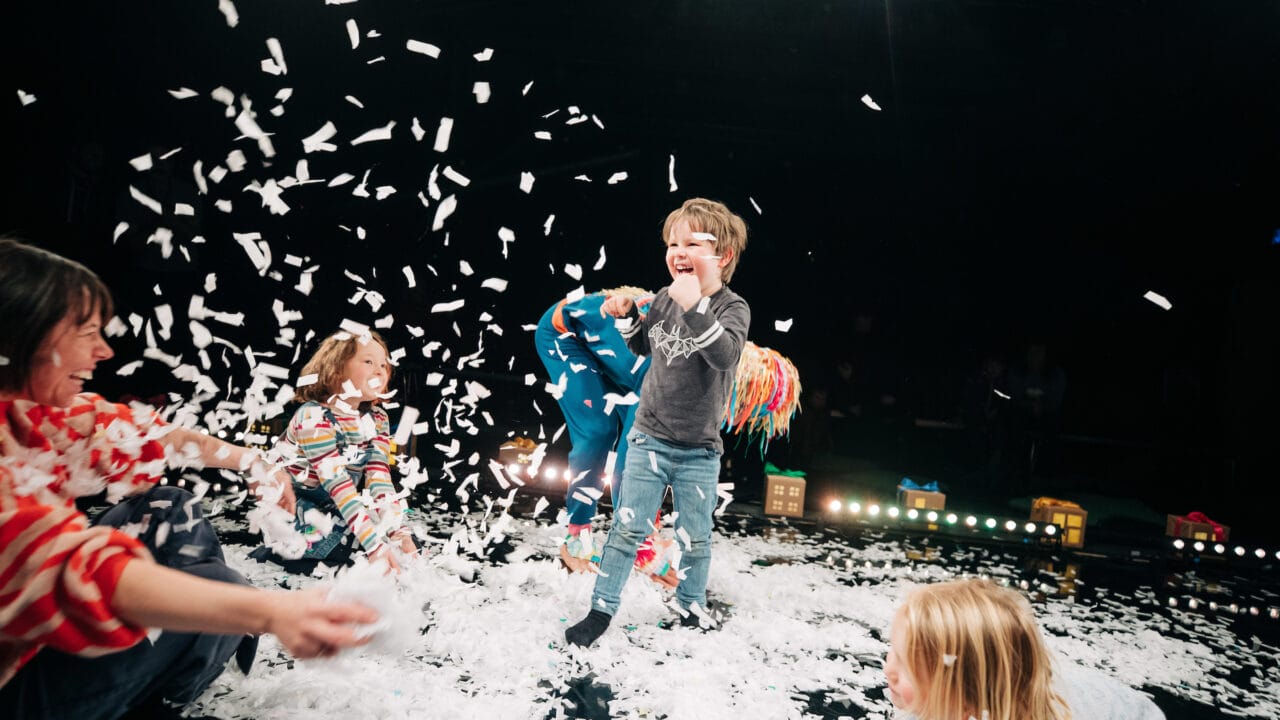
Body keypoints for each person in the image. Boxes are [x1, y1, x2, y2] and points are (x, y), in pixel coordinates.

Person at [0, 237, 378, 720]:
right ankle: (170, 674)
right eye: (84, 332)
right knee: (226, 585)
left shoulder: (34, 412)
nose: (104, 350)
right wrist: (268, 612)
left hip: (41, 633)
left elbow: (153, 435)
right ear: (24, 334)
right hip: (16, 684)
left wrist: (252, 462)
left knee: (170, 504)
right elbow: (86, 575)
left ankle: (191, 649)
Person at [565, 197, 750, 647]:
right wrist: (629, 318)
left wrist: (695, 307)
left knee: (695, 537)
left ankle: (690, 608)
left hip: (700, 450)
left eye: (691, 243)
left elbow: (724, 354)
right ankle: (601, 610)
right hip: (649, 437)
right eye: (672, 243)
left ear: (721, 256)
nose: (677, 251)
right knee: (627, 526)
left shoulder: (732, 308)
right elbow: (644, 347)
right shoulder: (666, 298)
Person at [885, 579, 1165, 720]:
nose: (889, 670)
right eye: (893, 652)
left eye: (906, 666)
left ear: (965, 690)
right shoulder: (931, 708)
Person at [533, 286, 654, 574]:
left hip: (611, 351)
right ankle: (576, 537)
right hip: (565, 335)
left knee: (642, 439)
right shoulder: (659, 367)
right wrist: (642, 548)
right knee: (599, 430)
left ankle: (639, 543)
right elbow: (634, 458)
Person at [284, 329, 417, 572]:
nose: (379, 370)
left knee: (398, 544)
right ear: (335, 369)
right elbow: (338, 485)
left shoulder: (378, 418)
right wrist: (374, 546)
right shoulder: (313, 417)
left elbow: (379, 478)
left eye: (384, 365)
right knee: (341, 549)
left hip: (338, 508)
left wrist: (397, 530)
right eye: (368, 362)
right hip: (297, 511)